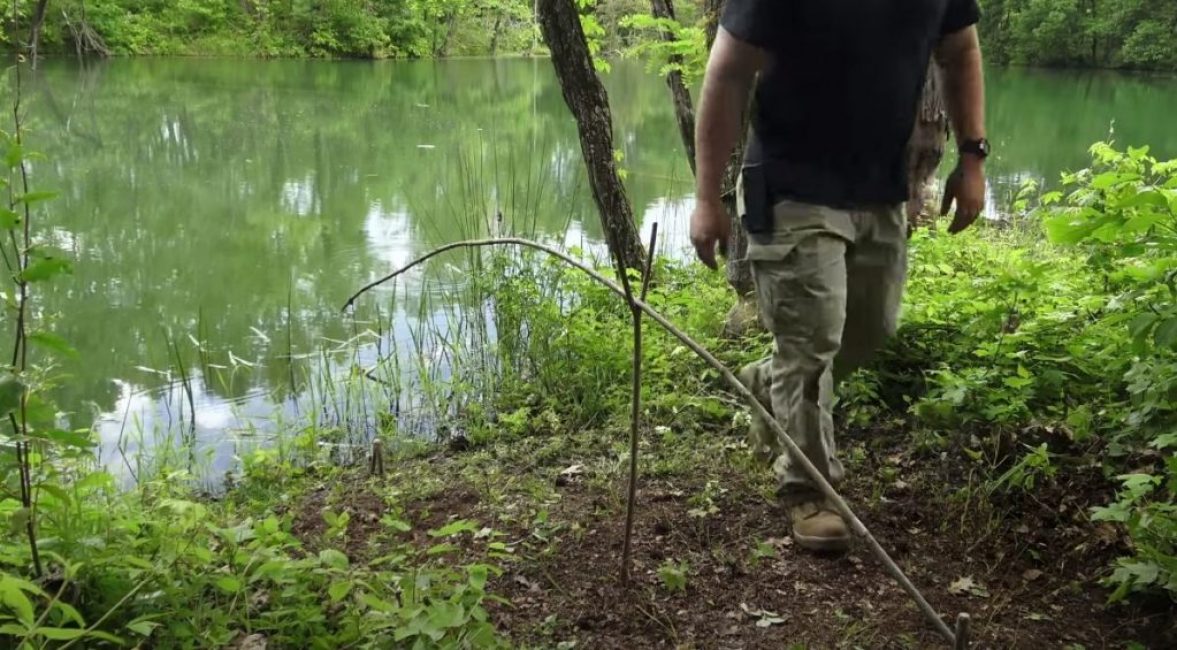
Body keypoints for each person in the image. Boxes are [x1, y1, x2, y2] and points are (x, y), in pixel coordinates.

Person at [690, 0, 988, 552]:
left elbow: (960, 50)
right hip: (789, 185)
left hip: (878, 187)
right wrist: (707, 197)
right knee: (810, 344)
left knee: (873, 327)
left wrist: (972, 157)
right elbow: (727, 73)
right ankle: (809, 490)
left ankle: (768, 383)